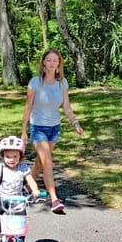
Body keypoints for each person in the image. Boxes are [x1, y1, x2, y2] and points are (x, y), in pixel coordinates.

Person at [21, 48, 83, 213]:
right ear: (43, 62)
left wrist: (75, 123)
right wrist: (23, 131)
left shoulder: (62, 83)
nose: (51, 63)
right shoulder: (35, 82)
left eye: (55, 60)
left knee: (41, 161)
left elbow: (67, 108)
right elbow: (28, 107)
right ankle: (54, 199)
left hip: (54, 128)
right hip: (38, 127)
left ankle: (29, 183)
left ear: (59, 63)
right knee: (47, 161)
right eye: (48, 60)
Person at [0, 136, 42, 241]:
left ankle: (21, 241)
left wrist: (35, 190)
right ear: (2, 156)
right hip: (2, 198)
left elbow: (30, 180)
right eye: (8, 156)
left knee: (21, 219)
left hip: (18, 199)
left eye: (15, 156)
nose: (11, 159)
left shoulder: (23, 168)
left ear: (21, 156)